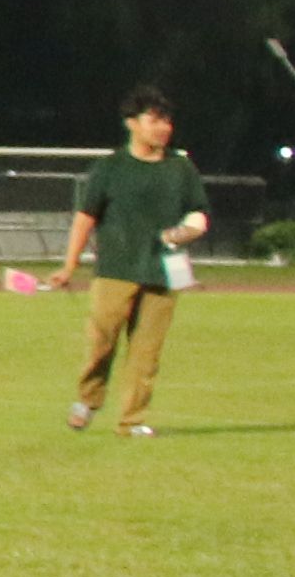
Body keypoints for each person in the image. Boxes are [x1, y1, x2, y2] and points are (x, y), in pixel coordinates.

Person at [57, 83, 211, 435]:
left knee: (147, 354)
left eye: (167, 121)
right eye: (154, 120)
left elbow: (199, 212)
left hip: (164, 272)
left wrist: (187, 230)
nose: (164, 128)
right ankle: (87, 399)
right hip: (116, 269)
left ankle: (132, 421)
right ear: (132, 123)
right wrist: (69, 265)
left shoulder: (181, 168)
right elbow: (85, 218)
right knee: (101, 342)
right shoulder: (111, 167)